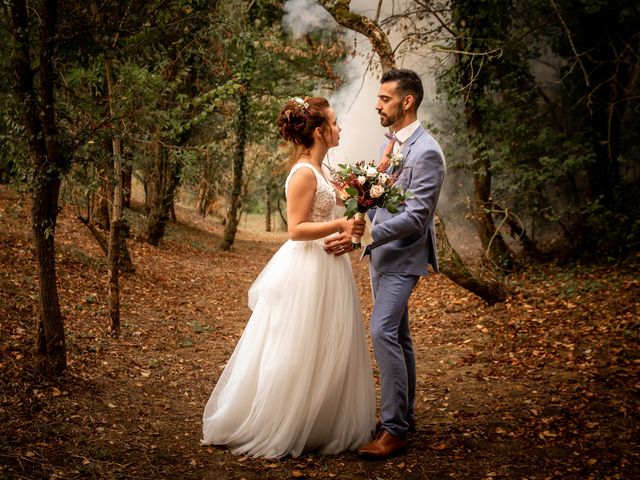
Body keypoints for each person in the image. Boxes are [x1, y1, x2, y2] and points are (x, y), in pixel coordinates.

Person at [201, 96, 376, 459]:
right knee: (298, 344)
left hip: (330, 266)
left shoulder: (325, 170)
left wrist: (354, 226)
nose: (340, 127)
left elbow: (331, 214)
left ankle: (320, 421)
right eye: (335, 122)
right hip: (307, 270)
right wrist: (341, 223)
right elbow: (296, 229)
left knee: (328, 344)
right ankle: (281, 420)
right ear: (319, 131)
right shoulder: (303, 173)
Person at [325, 69, 446, 458]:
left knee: (381, 332)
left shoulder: (427, 151)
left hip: (404, 256)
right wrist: (358, 199)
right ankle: (404, 417)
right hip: (382, 256)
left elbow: (416, 217)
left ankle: (394, 431)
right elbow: (383, 197)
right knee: (400, 336)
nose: (377, 105)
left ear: (406, 102)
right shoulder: (390, 142)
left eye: (384, 99)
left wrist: (366, 235)